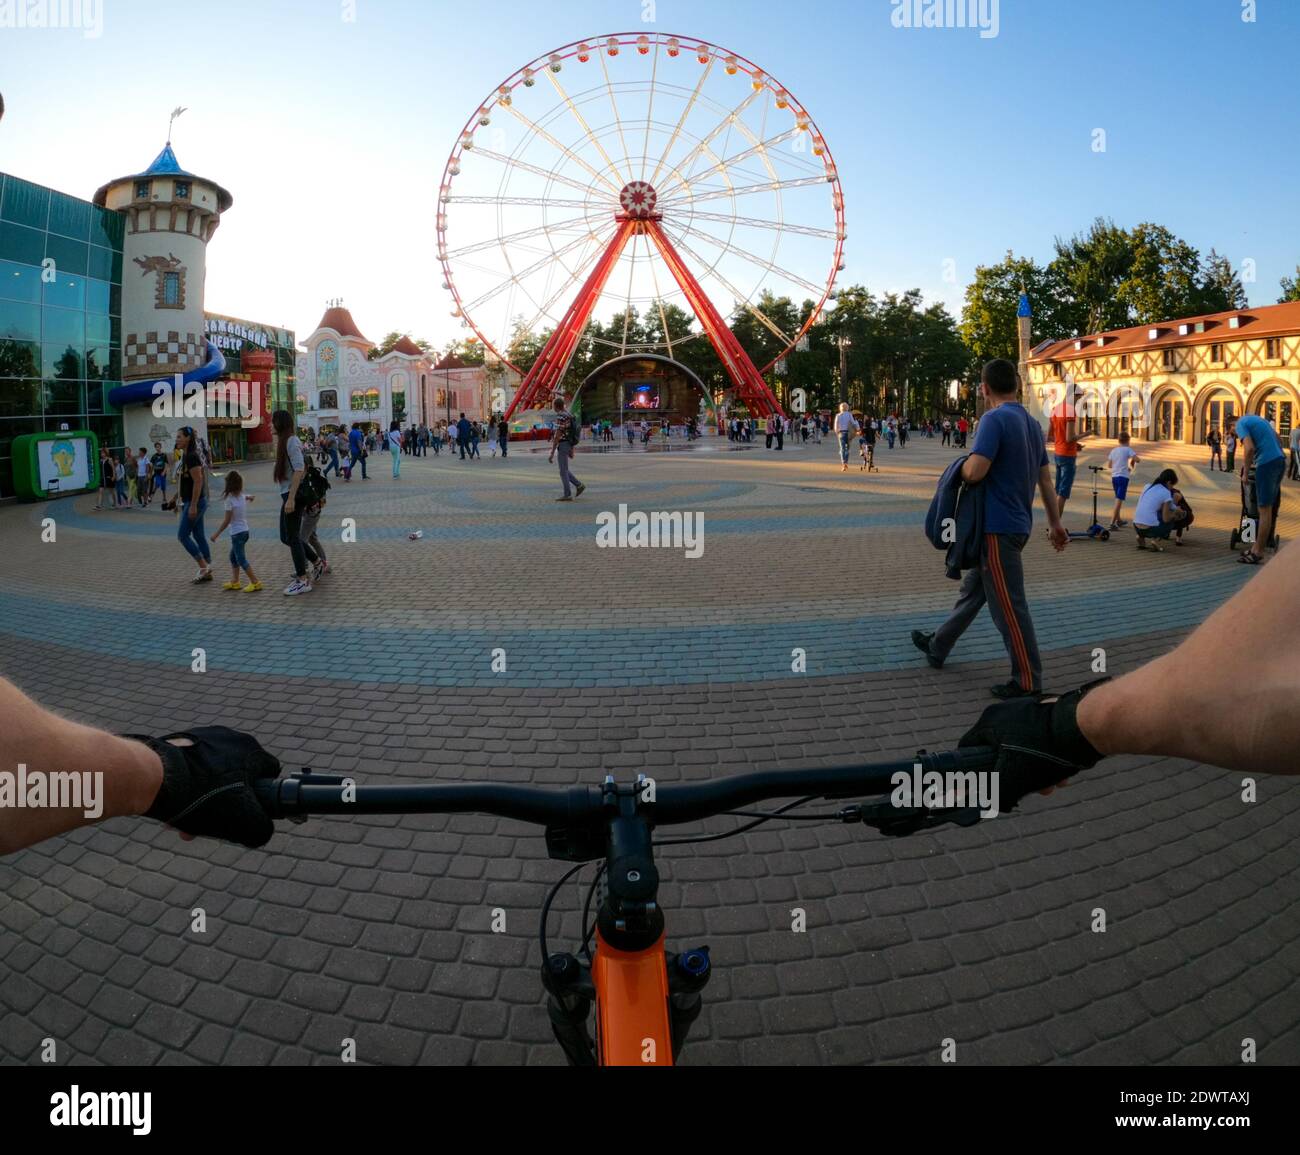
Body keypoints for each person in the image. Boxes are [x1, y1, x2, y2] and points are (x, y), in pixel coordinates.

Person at [911, 358, 1067, 700]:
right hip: (1017, 525)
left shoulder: (994, 420)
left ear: (984, 388)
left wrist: (958, 469)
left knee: (1009, 605)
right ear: (1016, 385)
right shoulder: (1029, 422)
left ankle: (1027, 681)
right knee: (974, 592)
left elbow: (977, 471)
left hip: (996, 528)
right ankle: (938, 646)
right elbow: (1044, 477)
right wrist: (1055, 524)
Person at [273, 409, 319, 596]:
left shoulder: (291, 441)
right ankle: (316, 563)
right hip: (288, 494)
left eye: (272, 422)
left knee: (292, 537)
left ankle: (302, 580)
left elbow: (299, 469)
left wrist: (291, 499)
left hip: (294, 495)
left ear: (280, 423)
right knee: (287, 537)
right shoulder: (285, 442)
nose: (270, 425)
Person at [1235, 411, 1285, 566]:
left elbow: (1249, 448)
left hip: (1266, 464)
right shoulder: (1259, 420)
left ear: (1232, 426)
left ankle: (1257, 552)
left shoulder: (1240, 424)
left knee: (1264, 509)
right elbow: (1278, 438)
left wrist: (1245, 472)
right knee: (1269, 508)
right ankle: (1256, 548)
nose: (1239, 438)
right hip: (1280, 461)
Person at [209, 470, 262, 592]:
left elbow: (227, 520)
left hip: (237, 534)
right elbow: (246, 496)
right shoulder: (241, 496)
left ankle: (255, 582)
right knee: (233, 557)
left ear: (229, 485)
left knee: (241, 559)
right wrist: (250, 497)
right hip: (244, 532)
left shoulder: (229, 500)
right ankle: (235, 581)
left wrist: (216, 534)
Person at [173, 426, 213, 583]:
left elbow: (198, 480)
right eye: (176, 437)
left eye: (179, 437)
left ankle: (204, 567)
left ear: (188, 438)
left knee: (182, 536)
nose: (177, 439)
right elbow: (186, 482)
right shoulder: (185, 456)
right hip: (190, 500)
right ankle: (208, 568)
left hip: (195, 502)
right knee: (198, 535)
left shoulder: (191, 456)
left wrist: (193, 505)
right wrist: (174, 498)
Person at [1048, 383, 1090, 520]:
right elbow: (1069, 437)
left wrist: (1074, 444)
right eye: (1078, 397)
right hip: (1067, 455)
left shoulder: (1055, 409)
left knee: (1057, 489)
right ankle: (1056, 526)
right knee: (1063, 492)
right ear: (1074, 395)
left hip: (1058, 453)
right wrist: (1085, 434)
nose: (1078, 400)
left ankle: (1051, 523)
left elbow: (1051, 435)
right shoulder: (1070, 410)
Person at [1132, 468, 1188, 552]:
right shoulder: (1166, 492)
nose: (1172, 488)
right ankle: (1156, 540)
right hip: (1149, 529)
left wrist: (1176, 509)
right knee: (1170, 521)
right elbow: (1166, 518)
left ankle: (1140, 538)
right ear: (1169, 482)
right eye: (1172, 485)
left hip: (1136, 525)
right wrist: (1175, 514)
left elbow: (1170, 505)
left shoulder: (1147, 486)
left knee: (1151, 517)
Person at [548, 396, 585, 502]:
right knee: (564, 469)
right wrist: (571, 448)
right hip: (568, 443)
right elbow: (572, 432)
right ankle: (579, 485)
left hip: (563, 444)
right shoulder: (569, 415)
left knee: (563, 471)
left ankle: (567, 494)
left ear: (556, 406)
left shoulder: (560, 416)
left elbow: (558, 434)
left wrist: (552, 452)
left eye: (553, 405)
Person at [1106, 432, 1140, 530]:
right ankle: (1112, 523)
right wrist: (1132, 462)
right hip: (1123, 477)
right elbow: (1138, 460)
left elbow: (1109, 465)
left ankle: (1119, 520)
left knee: (1117, 497)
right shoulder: (1128, 449)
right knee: (1119, 500)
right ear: (1128, 440)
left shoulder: (1114, 450)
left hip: (1114, 477)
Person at [832, 402, 859, 472]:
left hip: (841, 433)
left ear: (840, 408)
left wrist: (837, 433)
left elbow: (835, 427)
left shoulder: (838, 415)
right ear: (847, 408)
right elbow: (853, 423)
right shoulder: (849, 414)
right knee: (847, 448)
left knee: (842, 448)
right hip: (848, 433)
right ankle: (846, 462)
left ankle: (843, 463)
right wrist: (857, 429)